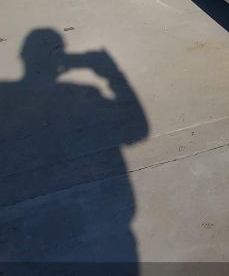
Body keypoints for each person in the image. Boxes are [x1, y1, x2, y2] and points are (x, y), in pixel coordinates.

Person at [0, 28, 148, 266]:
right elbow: (137, 130)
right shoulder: (82, 92)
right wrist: (112, 73)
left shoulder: (4, 94)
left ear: (22, 56)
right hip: (109, 235)